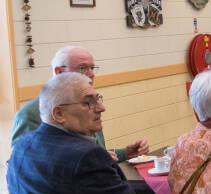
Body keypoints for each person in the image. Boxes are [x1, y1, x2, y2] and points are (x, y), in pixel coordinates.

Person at [7, 73, 158, 194]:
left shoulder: (20, 148)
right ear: (59, 114)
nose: (101, 108)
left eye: (98, 99)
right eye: (88, 103)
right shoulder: (87, 156)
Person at [11, 46, 149, 161]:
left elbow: (97, 152)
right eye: (83, 68)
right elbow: (23, 163)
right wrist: (91, 160)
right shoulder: (30, 113)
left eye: (92, 68)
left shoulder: (91, 105)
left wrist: (125, 153)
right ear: (59, 71)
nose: (91, 74)